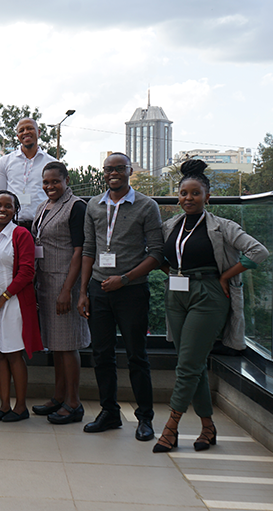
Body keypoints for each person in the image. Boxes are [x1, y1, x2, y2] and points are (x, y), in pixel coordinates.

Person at [153, 159, 268, 453]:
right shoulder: (170, 226)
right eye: (183, 194)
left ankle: (171, 427)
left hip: (208, 293)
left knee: (187, 364)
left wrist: (225, 277)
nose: (188, 198)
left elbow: (259, 251)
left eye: (195, 193)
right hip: (176, 294)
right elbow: (158, 257)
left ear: (207, 196)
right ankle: (208, 427)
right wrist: (171, 274)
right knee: (193, 364)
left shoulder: (222, 226)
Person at [77, 152, 163, 441]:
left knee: (137, 356)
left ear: (129, 171)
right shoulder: (94, 205)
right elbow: (89, 249)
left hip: (131, 291)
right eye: (108, 169)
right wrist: (83, 291)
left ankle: (145, 418)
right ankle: (109, 413)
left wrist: (124, 278)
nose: (113, 173)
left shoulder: (146, 206)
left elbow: (156, 254)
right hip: (99, 290)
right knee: (101, 355)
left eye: (119, 168)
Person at [31, 162, 90, 424]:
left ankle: (74, 403)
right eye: (46, 182)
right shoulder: (44, 207)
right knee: (56, 344)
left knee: (68, 345)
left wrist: (68, 289)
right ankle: (58, 397)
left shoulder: (76, 206)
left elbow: (80, 250)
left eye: (55, 182)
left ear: (66, 180)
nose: (50, 187)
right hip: (45, 282)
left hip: (65, 283)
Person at [0, 190, 42, 422]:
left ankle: (20, 407)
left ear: (16, 210)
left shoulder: (22, 234)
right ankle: (4, 405)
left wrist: (3, 298)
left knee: (14, 354)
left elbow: (27, 272)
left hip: (13, 302)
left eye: (8, 206)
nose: (2, 210)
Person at [0, 118, 57, 231]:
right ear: (17, 136)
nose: (25, 132)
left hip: (43, 225)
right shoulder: (5, 162)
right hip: (12, 226)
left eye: (30, 128)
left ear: (39, 132)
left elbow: (58, 197)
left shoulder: (52, 163)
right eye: (21, 130)